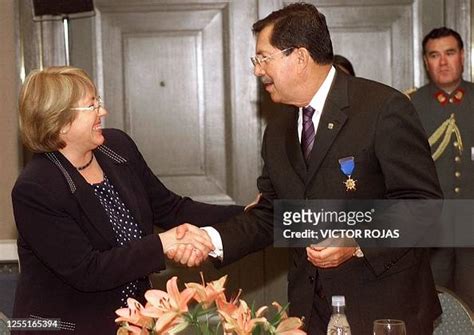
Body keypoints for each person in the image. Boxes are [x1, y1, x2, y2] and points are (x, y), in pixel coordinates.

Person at [171, 3, 442, 334]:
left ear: (299, 57)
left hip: (382, 311)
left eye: (263, 58)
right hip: (309, 313)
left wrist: (356, 240)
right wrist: (209, 239)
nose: (257, 70)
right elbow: (273, 213)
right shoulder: (278, 127)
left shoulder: (383, 108)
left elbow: (424, 205)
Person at [11, 66, 242, 334]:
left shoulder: (117, 147)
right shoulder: (36, 188)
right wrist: (162, 244)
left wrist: (252, 213)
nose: (103, 112)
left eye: (98, 102)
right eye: (91, 106)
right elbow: (88, 270)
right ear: (60, 122)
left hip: (133, 324)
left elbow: (171, 209)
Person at [410, 27, 474, 309]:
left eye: (450, 53)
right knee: (434, 304)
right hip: (432, 229)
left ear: (463, 56)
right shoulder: (409, 105)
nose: (443, 62)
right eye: (434, 55)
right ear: (426, 62)